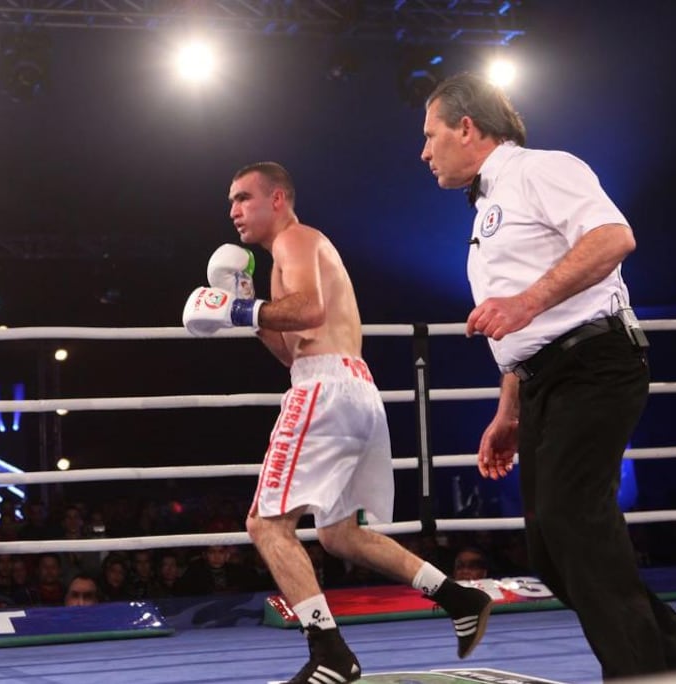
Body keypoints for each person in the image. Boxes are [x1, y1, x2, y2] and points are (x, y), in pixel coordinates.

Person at [419, 71, 676, 679]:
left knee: (575, 519)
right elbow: (517, 330)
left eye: (432, 134)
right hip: (545, 379)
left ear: (467, 127)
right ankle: (675, 644)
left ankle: (639, 669)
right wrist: (508, 410)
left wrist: (527, 301)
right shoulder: (488, 205)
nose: (424, 152)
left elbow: (612, 237)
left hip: (596, 361)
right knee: (549, 549)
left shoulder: (541, 169)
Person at [181, 161, 493, 684]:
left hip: (325, 389)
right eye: (230, 201)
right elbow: (288, 349)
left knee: (265, 524)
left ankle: (329, 653)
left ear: (277, 199)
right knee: (339, 534)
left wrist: (240, 311)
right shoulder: (288, 255)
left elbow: (309, 313)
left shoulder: (296, 238)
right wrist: (243, 306)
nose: (234, 210)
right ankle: (458, 596)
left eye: (243, 198)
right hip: (351, 388)